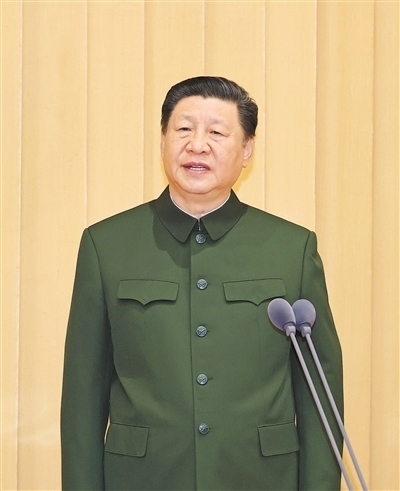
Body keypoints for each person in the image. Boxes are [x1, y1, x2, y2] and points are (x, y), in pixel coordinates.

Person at [61, 76, 343, 490]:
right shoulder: (107, 245)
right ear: (163, 140)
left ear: (247, 149)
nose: (197, 145)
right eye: (183, 129)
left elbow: (321, 394)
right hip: (143, 479)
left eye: (216, 132)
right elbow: (82, 398)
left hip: (261, 479)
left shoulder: (291, 248)